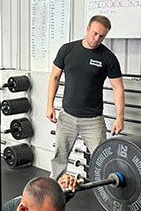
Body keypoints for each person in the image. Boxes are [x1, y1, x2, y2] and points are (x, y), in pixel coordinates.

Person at [47, 15, 126, 182]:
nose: (96, 38)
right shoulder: (67, 50)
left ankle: (108, 195)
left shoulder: (108, 57)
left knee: (103, 160)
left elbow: (117, 87)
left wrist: (120, 117)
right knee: (59, 160)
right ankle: (53, 194)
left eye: (101, 36)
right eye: (95, 33)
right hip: (67, 117)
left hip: (93, 120)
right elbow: (54, 77)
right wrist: (49, 105)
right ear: (88, 29)